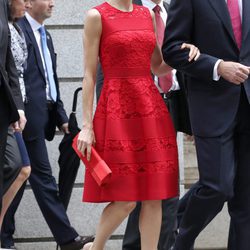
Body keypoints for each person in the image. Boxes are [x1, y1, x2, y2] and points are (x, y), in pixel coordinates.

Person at [78, 0, 199, 249]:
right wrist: (86, 126)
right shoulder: (96, 16)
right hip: (116, 113)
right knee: (126, 200)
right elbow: (89, 74)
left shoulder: (146, 15)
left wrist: (184, 54)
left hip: (151, 112)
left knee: (154, 196)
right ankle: (96, 247)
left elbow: (157, 65)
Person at [1, 0, 94, 249]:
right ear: (28, 4)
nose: (53, 3)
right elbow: (16, 77)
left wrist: (62, 117)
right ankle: (67, 239)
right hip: (24, 118)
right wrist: (18, 112)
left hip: (42, 117)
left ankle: (5, 238)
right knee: (42, 178)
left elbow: (49, 80)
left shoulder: (47, 36)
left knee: (20, 176)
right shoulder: (16, 30)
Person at [162, 0, 250, 249]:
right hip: (211, 107)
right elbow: (171, 49)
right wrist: (217, 66)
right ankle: (180, 238)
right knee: (217, 186)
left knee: (246, 202)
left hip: (248, 105)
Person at [1, 0, 31, 248]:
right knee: (20, 167)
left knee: (20, 167)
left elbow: (10, 66)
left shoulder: (15, 27)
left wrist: (17, 108)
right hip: (9, 106)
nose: (27, 4)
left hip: (10, 107)